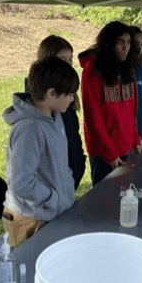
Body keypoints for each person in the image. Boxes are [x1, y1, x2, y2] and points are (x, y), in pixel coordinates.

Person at [3, 56, 80, 247]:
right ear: (51, 94)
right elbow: (21, 182)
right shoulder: (29, 129)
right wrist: (53, 198)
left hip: (51, 213)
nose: (72, 99)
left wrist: (65, 193)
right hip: (30, 219)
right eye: (69, 94)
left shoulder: (55, 116)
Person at [79, 21, 141, 185]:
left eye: (128, 43)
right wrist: (110, 154)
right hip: (103, 152)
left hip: (127, 146)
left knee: (127, 198)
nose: (125, 47)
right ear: (109, 44)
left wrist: (135, 139)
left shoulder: (128, 69)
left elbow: (132, 110)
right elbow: (93, 116)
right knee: (104, 204)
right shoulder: (92, 71)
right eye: (120, 42)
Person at [33, 35, 86, 189]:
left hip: (69, 179)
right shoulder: (41, 108)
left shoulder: (68, 100)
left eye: (70, 59)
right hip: (52, 190)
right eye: (63, 60)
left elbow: (73, 135)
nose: (68, 64)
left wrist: (79, 163)